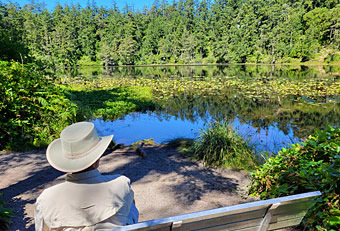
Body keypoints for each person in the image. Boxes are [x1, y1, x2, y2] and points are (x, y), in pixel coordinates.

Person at [34, 122, 139, 230]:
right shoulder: (121, 184)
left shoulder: (46, 199)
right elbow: (132, 218)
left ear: (65, 163)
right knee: (129, 207)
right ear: (97, 159)